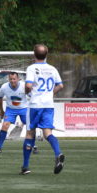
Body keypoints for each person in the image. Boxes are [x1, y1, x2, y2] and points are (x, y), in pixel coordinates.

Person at [21, 44, 65, 175]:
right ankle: (58, 153)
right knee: (47, 133)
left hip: (35, 105)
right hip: (48, 105)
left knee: (30, 134)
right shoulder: (52, 68)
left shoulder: (32, 68)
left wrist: (27, 91)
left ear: (34, 54)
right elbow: (60, 86)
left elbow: (28, 85)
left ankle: (25, 166)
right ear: (47, 54)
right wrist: (50, 94)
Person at [0, 72, 38, 155]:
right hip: (10, 109)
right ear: (8, 79)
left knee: (30, 127)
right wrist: (1, 111)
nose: (12, 81)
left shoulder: (24, 86)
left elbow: (33, 96)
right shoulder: (4, 87)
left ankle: (33, 145)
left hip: (24, 109)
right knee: (5, 126)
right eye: (11, 79)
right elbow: (0, 97)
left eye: (14, 79)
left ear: (18, 79)